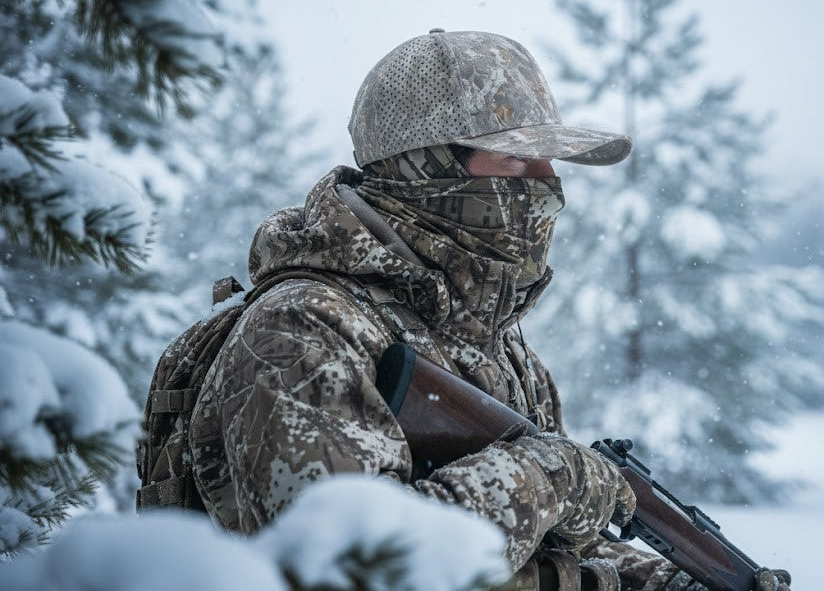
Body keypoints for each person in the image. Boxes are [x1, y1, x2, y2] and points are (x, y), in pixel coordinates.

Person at [188, 29, 791, 591]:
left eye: (550, 162)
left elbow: (543, 553)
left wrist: (657, 581)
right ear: (427, 169)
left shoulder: (490, 338)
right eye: (518, 161)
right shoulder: (301, 329)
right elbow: (353, 568)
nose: (549, 183)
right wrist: (551, 475)